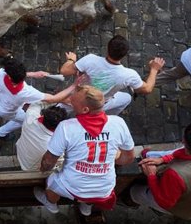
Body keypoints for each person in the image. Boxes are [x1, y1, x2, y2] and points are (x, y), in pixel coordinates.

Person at [34, 85, 135, 216]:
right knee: (91, 194)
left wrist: (44, 169)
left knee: (52, 182)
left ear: (85, 109)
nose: (69, 100)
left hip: (71, 186)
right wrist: (112, 157)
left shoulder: (66, 127)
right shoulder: (119, 123)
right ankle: (86, 208)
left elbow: (48, 162)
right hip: (104, 189)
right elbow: (128, 158)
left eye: (72, 101)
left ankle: (51, 203)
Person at [0, 56, 83, 139]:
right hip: (5, 111)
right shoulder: (26, 92)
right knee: (24, 120)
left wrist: (32, 74)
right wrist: (74, 85)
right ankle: (0, 133)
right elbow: (53, 99)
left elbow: (10, 74)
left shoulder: (1, 73)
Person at [60, 35, 165, 115]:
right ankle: (106, 116)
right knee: (127, 98)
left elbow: (65, 70)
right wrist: (154, 69)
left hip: (78, 97)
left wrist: (71, 59)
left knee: (59, 109)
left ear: (108, 48)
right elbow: (147, 89)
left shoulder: (90, 60)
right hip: (101, 103)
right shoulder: (129, 75)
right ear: (124, 55)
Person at [129, 123, 191, 219]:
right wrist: (163, 159)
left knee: (135, 192)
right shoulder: (188, 152)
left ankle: (128, 201)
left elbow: (165, 202)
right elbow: (183, 152)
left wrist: (151, 175)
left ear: (184, 141)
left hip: (178, 205)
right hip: (184, 192)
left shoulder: (176, 174)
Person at [16, 104, 68, 170]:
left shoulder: (30, 119)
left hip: (20, 154)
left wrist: (56, 99)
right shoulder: (54, 146)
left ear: (43, 116)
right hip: (29, 169)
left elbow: (37, 103)